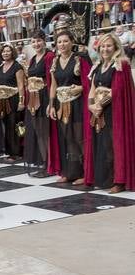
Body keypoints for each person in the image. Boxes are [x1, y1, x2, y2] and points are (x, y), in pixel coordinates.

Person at [84, 31, 135, 193]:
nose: (105, 49)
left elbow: (117, 90)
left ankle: (119, 180)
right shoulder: (98, 65)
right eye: (103, 46)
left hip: (115, 111)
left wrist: (99, 105)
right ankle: (105, 178)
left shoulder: (121, 64)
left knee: (115, 145)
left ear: (116, 47)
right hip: (99, 112)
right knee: (103, 145)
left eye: (109, 46)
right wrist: (91, 106)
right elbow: (92, 88)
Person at [49, 28, 90, 184]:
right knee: (67, 138)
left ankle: (86, 172)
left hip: (77, 103)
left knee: (79, 138)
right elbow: (53, 85)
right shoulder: (55, 61)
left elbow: (89, 81)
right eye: (59, 42)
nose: (62, 44)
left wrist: (81, 88)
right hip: (61, 104)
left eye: (66, 41)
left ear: (72, 42)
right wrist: (51, 105)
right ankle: (71, 172)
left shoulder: (79, 59)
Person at [24, 30, 55, 177]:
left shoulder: (49, 56)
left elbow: (52, 80)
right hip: (33, 98)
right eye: (33, 41)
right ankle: (44, 161)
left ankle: (50, 163)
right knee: (39, 132)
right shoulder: (32, 59)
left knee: (46, 132)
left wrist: (51, 102)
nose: (36, 44)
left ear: (44, 41)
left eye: (39, 41)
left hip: (44, 96)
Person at [0, 43, 26, 162]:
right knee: (7, 125)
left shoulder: (17, 67)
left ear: (12, 52)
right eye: (4, 51)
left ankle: (18, 151)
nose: (6, 53)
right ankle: (9, 150)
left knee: (16, 125)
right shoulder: (0, 68)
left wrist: (21, 101)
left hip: (14, 99)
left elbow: (21, 85)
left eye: (8, 51)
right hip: (3, 101)